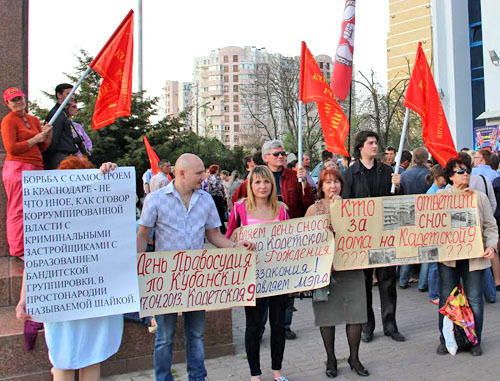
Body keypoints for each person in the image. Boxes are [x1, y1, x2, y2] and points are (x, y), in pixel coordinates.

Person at [137, 153, 254, 381]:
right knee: (165, 336)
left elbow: (213, 235)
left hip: (196, 279)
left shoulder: (206, 200)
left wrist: (236, 246)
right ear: (181, 173)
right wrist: (138, 264)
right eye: (198, 173)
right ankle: (163, 378)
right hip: (166, 279)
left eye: (203, 172)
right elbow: (142, 235)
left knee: (196, 334)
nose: (203, 176)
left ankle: (197, 377)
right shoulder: (156, 199)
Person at [16, 156, 123, 381]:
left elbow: (34, 260)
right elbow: (37, 259)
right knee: (78, 358)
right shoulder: (55, 214)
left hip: (72, 297)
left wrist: (111, 174)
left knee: (71, 358)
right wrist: (24, 299)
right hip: (79, 297)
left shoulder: (49, 213)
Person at [226, 165, 290, 381]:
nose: (262, 186)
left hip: (278, 278)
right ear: (250, 186)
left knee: (279, 325)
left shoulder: (281, 210)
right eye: (257, 182)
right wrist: (239, 243)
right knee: (254, 326)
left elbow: (293, 240)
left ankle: (277, 371)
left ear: (273, 184)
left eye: (266, 182)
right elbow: (228, 239)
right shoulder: (240, 209)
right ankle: (255, 374)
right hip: (252, 278)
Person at [341, 130, 405, 343]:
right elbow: (345, 208)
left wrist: (398, 186)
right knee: (364, 283)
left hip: (384, 236)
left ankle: (390, 324)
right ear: (360, 147)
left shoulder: (387, 171)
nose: (375, 146)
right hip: (362, 240)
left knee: (388, 282)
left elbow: (399, 204)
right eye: (370, 143)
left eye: (376, 142)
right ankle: (368, 326)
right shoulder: (349, 174)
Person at [305, 168, 369, 378]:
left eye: (336, 182)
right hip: (325, 271)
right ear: (321, 186)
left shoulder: (351, 207)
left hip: (351, 267)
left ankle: (354, 357)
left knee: (356, 314)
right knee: (327, 316)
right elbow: (306, 241)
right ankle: (331, 359)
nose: (332, 186)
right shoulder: (314, 210)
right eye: (327, 182)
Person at [436, 157, 498, 356]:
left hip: (474, 257)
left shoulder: (479, 197)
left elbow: (490, 225)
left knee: (474, 299)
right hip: (449, 257)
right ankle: (446, 338)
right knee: (447, 298)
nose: (466, 175)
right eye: (460, 172)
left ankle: (474, 340)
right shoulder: (440, 197)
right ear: (450, 177)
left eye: (467, 171)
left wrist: (491, 245)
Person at [1, 87, 52, 258]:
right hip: (18, 167)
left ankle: (32, 245)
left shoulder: (34, 119)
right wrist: (35, 139)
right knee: (18, 208)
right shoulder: (8, 121)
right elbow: (11, 148)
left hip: (36, 167)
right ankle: (18, 249)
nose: (18, 102)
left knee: (34, 209)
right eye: (13, 100)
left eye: (19, 98)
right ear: (7, 103)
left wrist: (47, 135)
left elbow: (43, 146)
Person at [399, 147, 431, 290]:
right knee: (426, 249)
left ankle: (402, 280)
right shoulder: (429, 175)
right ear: (425, 159)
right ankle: (423, 283)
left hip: (408, 214)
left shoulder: (405, 175)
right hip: (425, 215)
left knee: (408, 248)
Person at [425, 164, 447, 305]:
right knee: (434, 265)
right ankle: (433, 294)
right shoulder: (432, 193)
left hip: (439, 232)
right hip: (435, 233)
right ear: (438, 177)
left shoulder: (438, 190)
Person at [43, 83, 79, 169]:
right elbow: (53, 139)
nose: (72, 96)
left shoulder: (63, 113)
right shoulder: (56, 113)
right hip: (60, 158)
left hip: (66, 157)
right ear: (59, 95)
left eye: (73, 93)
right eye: (68, 93)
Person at [206, 164, 227, 234]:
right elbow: (220, 187)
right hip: (218, 196)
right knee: (220, 212)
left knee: (212, 213)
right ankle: (223, 228)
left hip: (211, 196)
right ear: (216, 170)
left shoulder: (208, 178)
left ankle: (213, 228)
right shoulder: (217, 178)